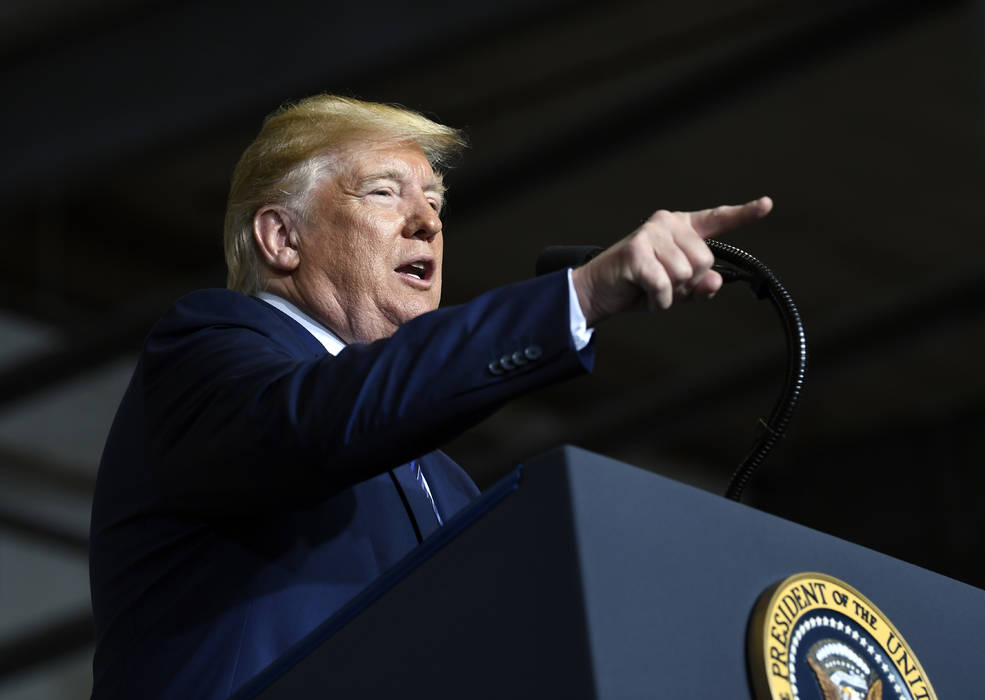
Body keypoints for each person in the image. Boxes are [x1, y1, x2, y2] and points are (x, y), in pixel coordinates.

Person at [88, 94, 772, 699]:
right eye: (385, 192)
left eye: (436, 202)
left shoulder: (447, 483)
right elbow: (315, 418)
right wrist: (580, 296)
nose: (427, 223)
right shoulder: (204, 347)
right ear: (282, 237)